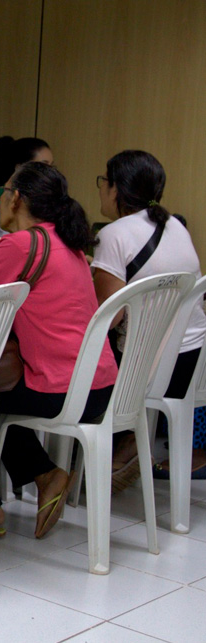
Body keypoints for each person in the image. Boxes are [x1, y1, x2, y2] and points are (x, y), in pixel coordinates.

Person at [0, 162, 118, 539]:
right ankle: (45, 474)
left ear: (17, 198)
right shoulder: (68, 242)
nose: (1, 199)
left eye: (5, 192)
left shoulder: (21, 244)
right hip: (100, 385)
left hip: (62, 389)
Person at [92, 150, 206, 488]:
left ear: (116, 189)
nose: (100, 189)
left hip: (148, 372)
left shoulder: (114, 235)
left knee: (83, 353)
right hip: (192, 362)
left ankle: (99, 450)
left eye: (103, 181)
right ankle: (129, 443)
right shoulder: (174, 226)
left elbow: (106, 319)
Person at [0, 136, 54, 237]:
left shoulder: (45, 200)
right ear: (20, 168)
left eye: (51, 166)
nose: (51, 172)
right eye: (43, 166)